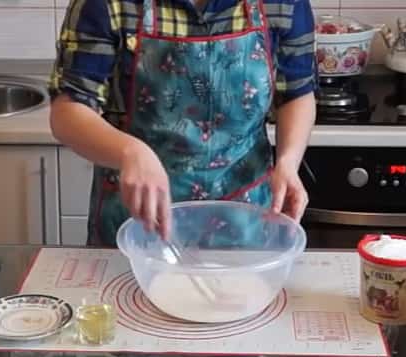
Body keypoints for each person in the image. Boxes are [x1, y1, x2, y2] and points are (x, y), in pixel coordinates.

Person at [50, 0, 316, 246]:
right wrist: (129, 152)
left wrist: (288, 162)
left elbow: (297, 93)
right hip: (138, 221)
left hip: (246, 223)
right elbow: (68, 111)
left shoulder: (284, 3)